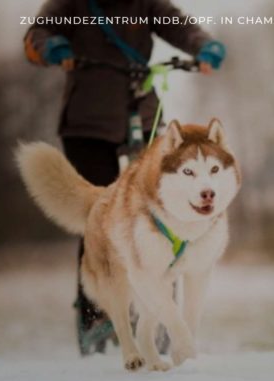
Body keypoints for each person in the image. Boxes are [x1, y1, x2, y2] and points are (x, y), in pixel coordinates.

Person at [23, 0, 226, 355]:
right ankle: (96, 316)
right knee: (98, 215)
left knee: (161, 216)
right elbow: (36, 36)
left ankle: (164, 318)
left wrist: (203, 45)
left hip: (142, 114)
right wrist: (52, 47)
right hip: (88, 124)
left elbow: (179, 26)